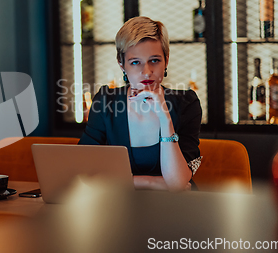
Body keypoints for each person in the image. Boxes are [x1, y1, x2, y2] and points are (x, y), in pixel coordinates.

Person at [78, 16, 202, 191]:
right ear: (122, 64)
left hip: (174, 207)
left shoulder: (187, 103)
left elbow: (177, 183)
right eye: (135, 62)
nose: (147, 72)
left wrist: (164, 116)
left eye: (154, 60)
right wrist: (151, 182)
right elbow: (84, 170)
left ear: (166, 60)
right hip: (119, 207)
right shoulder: (106, 101)